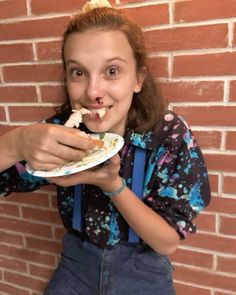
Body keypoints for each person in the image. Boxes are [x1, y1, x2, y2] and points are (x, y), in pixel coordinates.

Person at [0, 1, 211, 294]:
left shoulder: (168, 135)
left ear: (138, 79)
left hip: (144, 270)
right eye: (78, 73)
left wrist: (113, 185)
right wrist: (16, 143)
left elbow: (167, 242)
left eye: (112, 71)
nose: (93, 92)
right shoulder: (61, 130)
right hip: (76, 264)